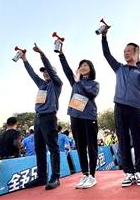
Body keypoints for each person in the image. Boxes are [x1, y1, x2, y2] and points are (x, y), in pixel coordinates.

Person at [100, 27, 140, 187]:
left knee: (138, 140)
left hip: (135, 108)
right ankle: (128, 172)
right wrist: (104, 37)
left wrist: (139, 62)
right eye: (125, 51)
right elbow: (107, 55)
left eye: (129, 51)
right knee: (123, 140)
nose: (126, 53)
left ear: (136, 53)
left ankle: (139, 171)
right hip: (120, 107)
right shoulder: (119, 68)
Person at [21, 44, 62, 190]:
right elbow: (32, 73)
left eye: (47, 71)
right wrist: (24, 59)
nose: (45, 73)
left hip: (49, 117)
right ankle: (41, 176)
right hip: (38, 118)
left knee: (53, 147)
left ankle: (55, 177)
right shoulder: (41, 85)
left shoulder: (57, 84)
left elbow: (50, 69)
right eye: (43, 72)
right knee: (39, 148)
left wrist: (41, 54)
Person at [58, 45, 99, 189]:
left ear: (91, 68)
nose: (83, 67)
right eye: (81, 65)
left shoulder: (94, 83)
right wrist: (61, 54)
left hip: (89, 117)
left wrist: (79, 81)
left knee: (91, 147)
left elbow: (90, 94)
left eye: (86, 65)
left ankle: (93, 176)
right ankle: (85, 174)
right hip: (75, 116)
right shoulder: (74, 80)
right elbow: (66, 69)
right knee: (80, 147)